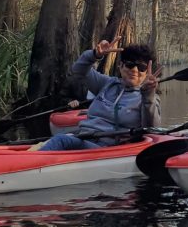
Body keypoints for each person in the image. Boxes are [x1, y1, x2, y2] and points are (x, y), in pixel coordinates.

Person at [31, 37, 162, 150]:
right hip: (83, 138)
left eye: (141, 67)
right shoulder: (107, 83)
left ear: (146, 72)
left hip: (108, 149)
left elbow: (151, 129)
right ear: (121, 66)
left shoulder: (148, 98)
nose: (134, 70)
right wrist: (94, 55)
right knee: (56, 141)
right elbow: (78, 70)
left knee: (61, 140)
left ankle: (32, 166)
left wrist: (148, 94)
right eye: (130, 64)